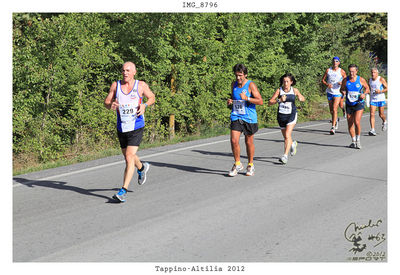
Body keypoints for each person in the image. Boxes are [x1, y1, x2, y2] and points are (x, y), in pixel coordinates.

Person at [104, 62, 155, 202]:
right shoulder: (116, 86)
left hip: (137, 126)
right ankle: (142, 167)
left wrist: (144, 105)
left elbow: (152, 97)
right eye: (123, 70)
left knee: (128, 157)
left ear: (134, 72)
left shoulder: (141, 85)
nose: (125, 73)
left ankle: (123, 191)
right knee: (129, 156)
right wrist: (111, 105)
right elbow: (106, 102)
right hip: (122, 127)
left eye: (128, 70)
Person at [227, 64, 263, 176]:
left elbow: (260, 101)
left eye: (240, 75)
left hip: (249, 117)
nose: (238, 78)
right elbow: (234, 98)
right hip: (237, 116)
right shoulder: (233, 84)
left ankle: (250, 164)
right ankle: (237, 163)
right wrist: (230, 102)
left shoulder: (250, 85)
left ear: (245, 74)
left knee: (249, 142)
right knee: (234, 140)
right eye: (236, 75)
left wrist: (247, 98)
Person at [269, 73, 305, 164]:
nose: (285, 83)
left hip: (291, 115)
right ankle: (292, 144)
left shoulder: (294, 90)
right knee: (286, 137)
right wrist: (279, 100)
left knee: (287, 135)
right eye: (284, 81)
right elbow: (270, 102)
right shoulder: (279, 90)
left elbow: (302, 98)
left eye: (287, 81)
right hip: (281, 115)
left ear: (291, 82)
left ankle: (285, 156)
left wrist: (300, 97)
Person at [340, 64, 370, 149]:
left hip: (359, 103)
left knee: (357, 122)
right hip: (349, 103)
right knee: (350, 123)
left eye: (353, 71)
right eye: (350, 71)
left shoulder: (361, 79)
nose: (351, 73)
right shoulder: (345, 80)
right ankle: (353, 141)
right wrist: (343, 92)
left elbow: (367, 88)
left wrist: (364, 94)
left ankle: (358, 140)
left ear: (356, 71)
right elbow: (341, 89)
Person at [321, 56, 347, 134]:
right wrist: (327, 84)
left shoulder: (341, 71)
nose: (335, 63)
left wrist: (342, 83)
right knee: (331, 110)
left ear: (339, 63)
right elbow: (323, 80)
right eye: (333, 61)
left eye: (336, 61)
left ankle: (333, 127)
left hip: (338, 92)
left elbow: (346, 80)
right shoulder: (328, 70)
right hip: (330, 92)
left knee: (335, 108)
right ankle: (336, 120)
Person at [368, 67, 388, 136]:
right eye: (372, 72)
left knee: (381, 114)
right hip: (373, 99)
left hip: (380, 99)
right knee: (372, 114)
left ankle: (385, 121)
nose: (373, 74)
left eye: (374, 73)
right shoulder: (369, 80)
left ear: (377, 73)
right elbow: (369, 88)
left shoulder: (381, 79)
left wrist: (380, 91)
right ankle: (372, 129)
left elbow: (387, 88)